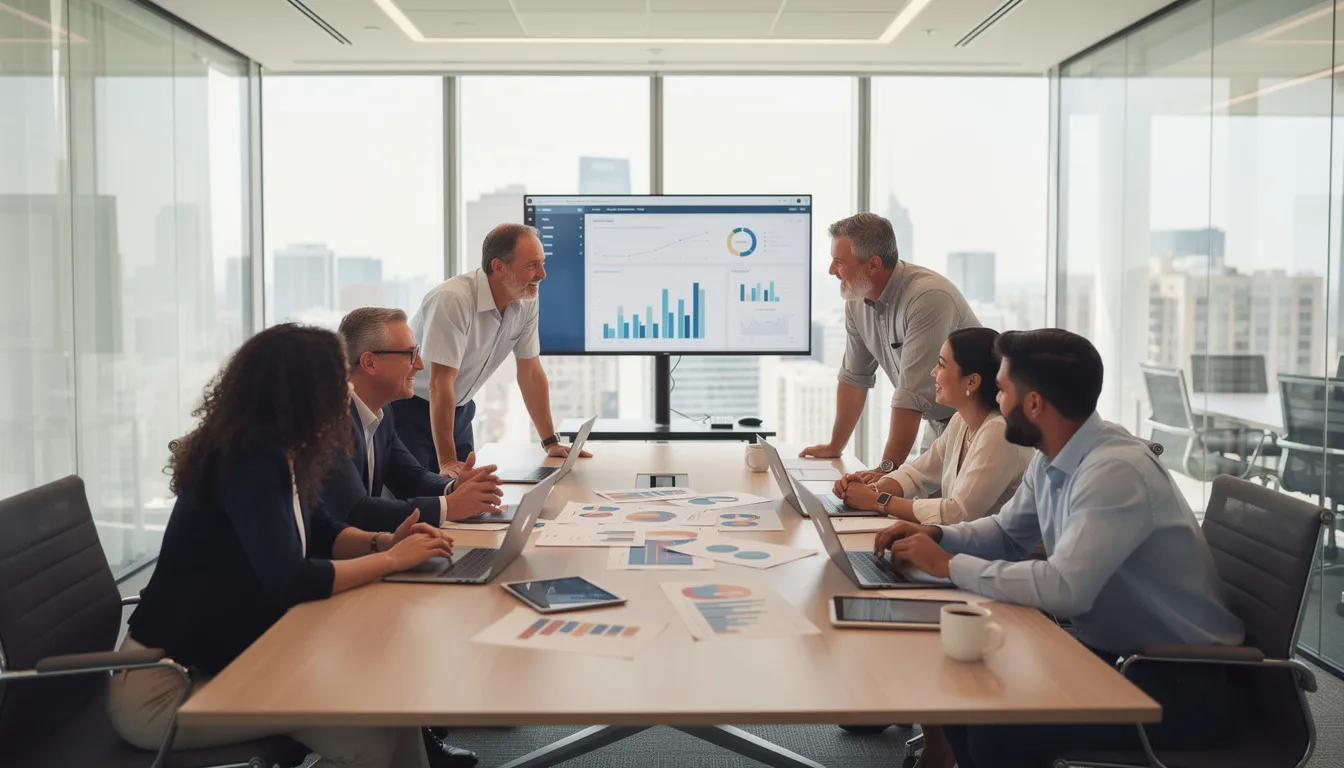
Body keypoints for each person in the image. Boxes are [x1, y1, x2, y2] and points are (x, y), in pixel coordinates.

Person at [873, 329, 1246, 768]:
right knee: (962, 690)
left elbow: (1066, 587)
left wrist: (950, 566)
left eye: (1005, 390)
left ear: (1035, 405)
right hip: (1113, 656)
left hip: (1178, 685)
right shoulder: (1053, 456)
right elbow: (1008, 534)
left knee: (996, 729)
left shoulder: (1113, 472)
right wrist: (941, 537)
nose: (998, 399)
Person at [108, 324, 456, 768]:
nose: (346, 393)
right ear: (306, 393)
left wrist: (385, 541)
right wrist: (390, 560)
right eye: (337, 382)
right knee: (369, 737)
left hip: (232, 660)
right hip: (165, 690)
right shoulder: (247, 461)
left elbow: (320, 529)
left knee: (387, 702)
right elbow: (293, 578)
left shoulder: (280, 451)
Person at [389, 223, 590, 478]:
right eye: (531, 265)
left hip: (459, 409)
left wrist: (550, 441)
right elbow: (439, 384)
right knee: (421, 502)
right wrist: (448, 460)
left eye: (542, 263)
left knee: (467, 501)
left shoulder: (526, 299)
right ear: (498, 267)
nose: (542, 274)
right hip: (411, 411)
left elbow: (530, 372)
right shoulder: (454, 299)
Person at [801, 213, 979, 485]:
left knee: (955, 513)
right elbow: (854, 377)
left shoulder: (928, 297)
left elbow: (911, 396)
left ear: (873, 264)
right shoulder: (857, 300)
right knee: (924, 502)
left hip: (977, 422)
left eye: (839, 262)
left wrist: (884, 470)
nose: (830, 271)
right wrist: (835, 446)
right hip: (939, 421)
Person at [322, 307, 505, 533]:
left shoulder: (384, 413)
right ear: (370, 363)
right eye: (410, 354)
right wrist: (449, 506)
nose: (420, 364)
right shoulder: (330, 423)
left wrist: (455, 487)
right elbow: (356, 511)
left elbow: (411, 479)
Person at [835, 328, 1033, 527]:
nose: (933, 372)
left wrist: (879, 502)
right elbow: (916, 475)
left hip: (996, 557)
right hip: (962, 549)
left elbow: (957, 513)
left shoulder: (999, 432)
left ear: (972, 381)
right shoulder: (961, 421)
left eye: (941, 365)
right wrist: (871, 490)